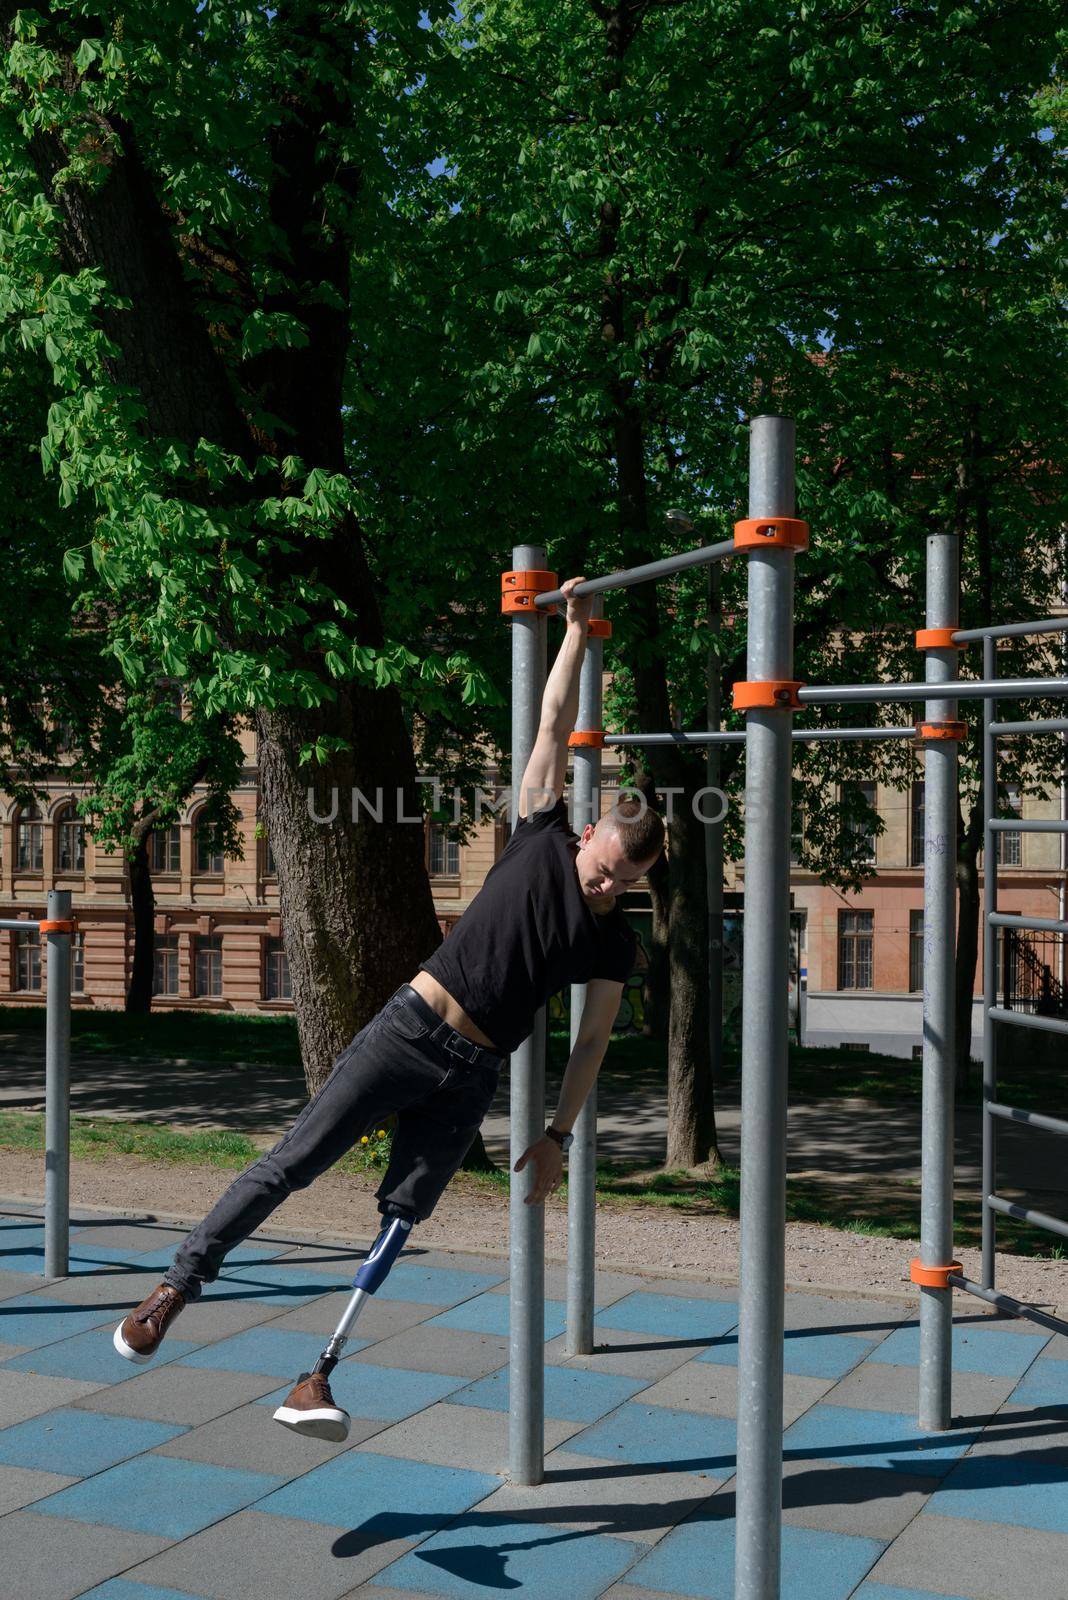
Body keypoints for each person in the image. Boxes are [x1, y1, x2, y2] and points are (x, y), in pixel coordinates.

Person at [113, 576, 665, 1434]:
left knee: (404, 1213)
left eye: (622, 883)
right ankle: (174, 1287)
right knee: (294, 1161)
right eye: (602, 868)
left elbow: (591, 1044)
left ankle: (317, 1377)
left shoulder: (613, 941)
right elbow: (553, 723)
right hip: (410, 1029)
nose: (603, 885)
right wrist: (576, 635)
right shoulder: (538, 830)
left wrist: (558, 1136)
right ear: (590, 831)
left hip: (474, 1074)